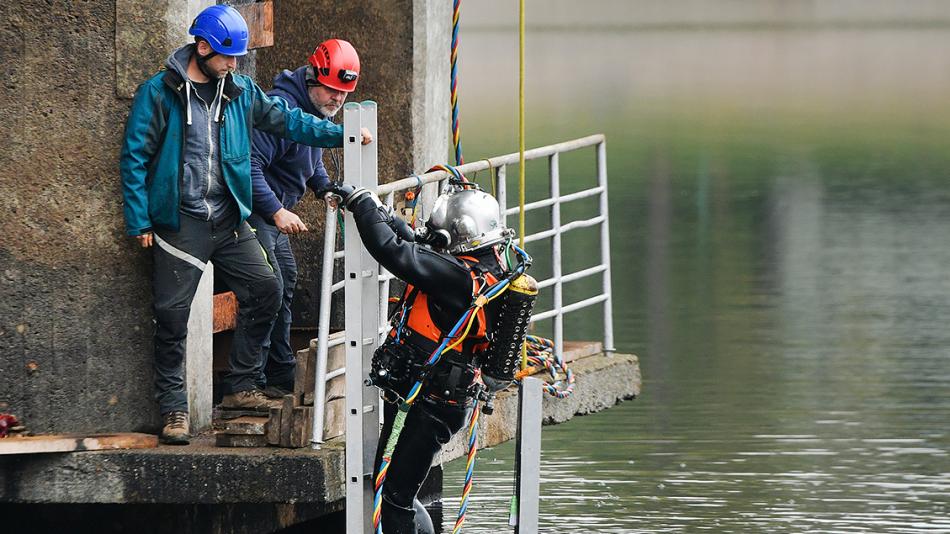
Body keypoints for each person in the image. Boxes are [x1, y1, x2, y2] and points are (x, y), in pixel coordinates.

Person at [119, 5, 371, 445]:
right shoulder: (158, 93)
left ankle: (241, 387)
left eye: (238, 57)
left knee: (267, 289)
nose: (234, 64)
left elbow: (289, 121)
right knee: (172, 316)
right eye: (227, 56)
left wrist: (342, 133)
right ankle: (174, 409)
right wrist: (139, 219)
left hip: (228, 216)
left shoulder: (240, 91)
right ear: (202, 48)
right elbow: (135, 157)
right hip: (180, 221)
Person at [322, 180, 536, 533]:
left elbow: (395, 252)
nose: (431, 239)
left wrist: (361, 203)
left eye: (439, 235)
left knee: (394, 496)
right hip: (428, 395)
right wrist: (383, 213)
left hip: (430, 403)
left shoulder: (456, 276)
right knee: (392, 487)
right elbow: (417, 242)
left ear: (458, 235)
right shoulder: (489, 266)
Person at [248, 39, 361, 398]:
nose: (337, 100)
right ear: (313, 76)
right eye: (332, 90)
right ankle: (250, 381)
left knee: (288, 282)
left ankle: (281, 373)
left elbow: (310, 156)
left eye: (344, 93)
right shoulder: (281, 112)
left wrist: (324, 186)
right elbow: (248, 168)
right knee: (268, 288)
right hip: (257, 212)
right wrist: (277, 211)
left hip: (275, 211)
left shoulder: (315, 110)